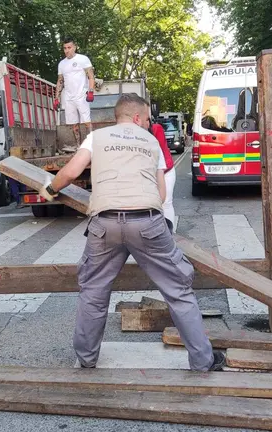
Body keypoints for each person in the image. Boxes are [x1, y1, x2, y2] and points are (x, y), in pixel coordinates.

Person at [39, 93, 224, 372]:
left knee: (93, 292)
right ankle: (202, 361)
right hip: (147, 222)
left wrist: (51, 189)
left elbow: (72, 171)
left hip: (104, 224)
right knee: (178, 290)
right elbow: (161, 194)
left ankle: (86, 360)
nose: (149, 124)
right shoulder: (152, 142)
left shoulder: (96, 138)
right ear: (137, 118)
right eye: (148, 119)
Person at [55, 37, 95, 153]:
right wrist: (56, 97)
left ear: (74, 47)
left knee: (86, 121)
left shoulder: (83, 59)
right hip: (69, 96)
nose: (67, 50)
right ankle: (78, 146)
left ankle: (91, 144)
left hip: (82, 94)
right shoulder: (62, 64)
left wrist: (91, 91)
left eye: (69, 47)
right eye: (65, 48)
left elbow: (91, 76)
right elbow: (60, 81)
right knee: (73, 123)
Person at [150, 119, 176, 232]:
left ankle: (170, 233)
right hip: (149, 172)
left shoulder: (156, 128)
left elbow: (157, 150)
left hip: (166, 171)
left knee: (166, 203)